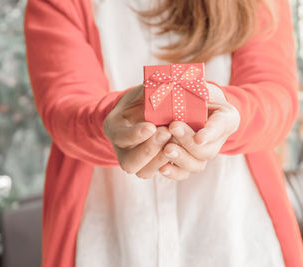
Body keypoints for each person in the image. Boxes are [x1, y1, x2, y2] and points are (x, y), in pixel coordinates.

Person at [24, 0, 303, 266]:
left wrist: (228, 113)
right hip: (106, 238)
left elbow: (276, 95)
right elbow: (64, 106)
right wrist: (109, 123)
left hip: (235, 232)